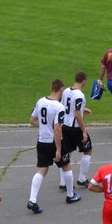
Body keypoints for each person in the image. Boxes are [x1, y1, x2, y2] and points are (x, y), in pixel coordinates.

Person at [29, 79, 79, 214]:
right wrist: (58, 149)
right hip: (53, 142)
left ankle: (32, 199)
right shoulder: (58, 107)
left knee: (42, 169)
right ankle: (70, 195)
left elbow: (32, 120)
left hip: (41, 141)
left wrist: (45, 127)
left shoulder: (40, 101)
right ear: (61, 90)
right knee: (66, 165)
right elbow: (57, 129)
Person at [61, 72, 94, 188]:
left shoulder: (66, 91)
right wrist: (84, 130)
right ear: (84, 81)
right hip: (75, 127)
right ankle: (82, 178)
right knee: (88, 150)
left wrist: (84, 109)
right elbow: (77, 113)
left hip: (65, 126)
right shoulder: (79, 95)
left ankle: (63, 182)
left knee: (66, 153)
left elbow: (65, 106)